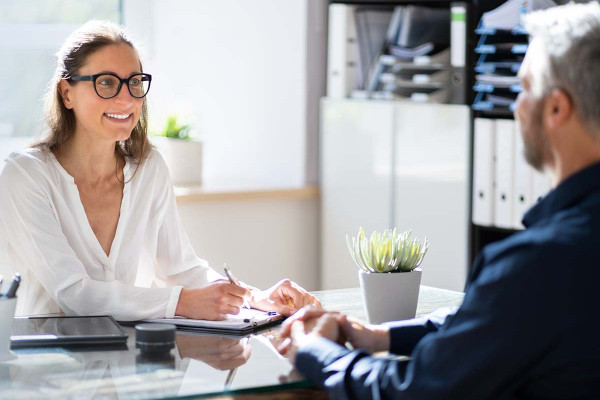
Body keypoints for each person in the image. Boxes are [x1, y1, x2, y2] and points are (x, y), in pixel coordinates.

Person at [278, 3, 600, 399]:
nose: (515, 106)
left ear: (556, 108)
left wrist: (315, 352)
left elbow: (411, 392)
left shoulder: (542, 263)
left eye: (523, 88)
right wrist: (379, 335)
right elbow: (497, 319)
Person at [0, 20, 320, 321]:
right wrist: (181, 303)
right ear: (66, 93)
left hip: (134, 363)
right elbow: (73, 294)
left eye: (135, 82)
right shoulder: (25, 175)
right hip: (48, 372)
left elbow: (181, 269)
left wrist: (254, 297)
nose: (126, 98)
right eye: (107, 83)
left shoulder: (149, 168)